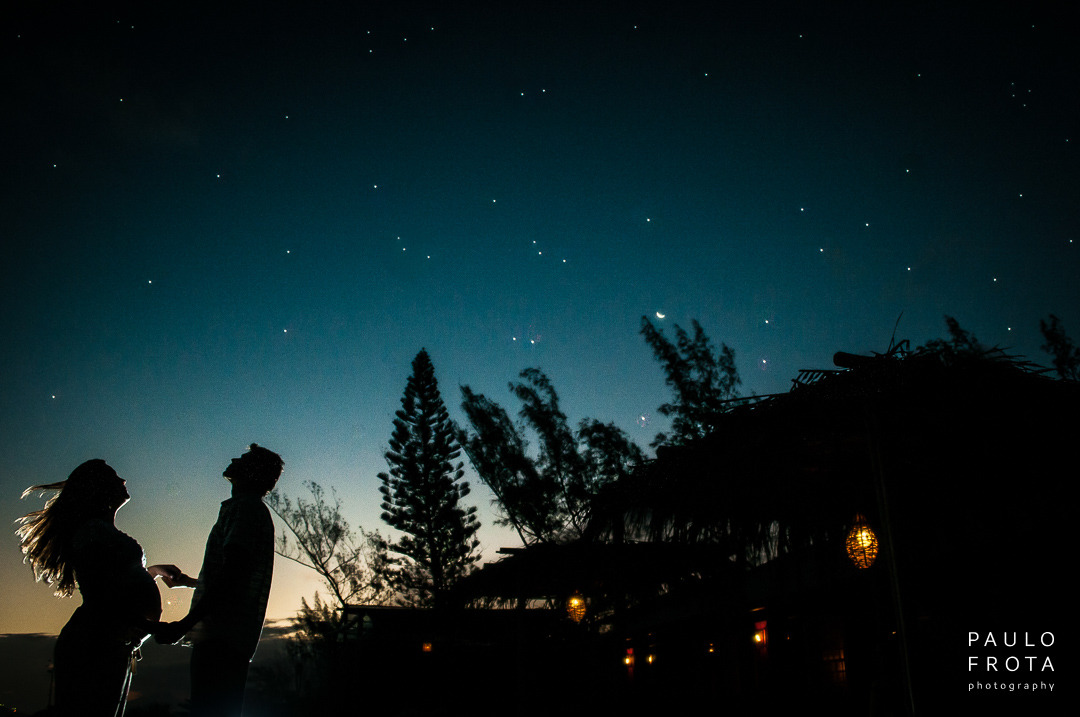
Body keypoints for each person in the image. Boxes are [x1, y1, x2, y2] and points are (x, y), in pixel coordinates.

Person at [16, 459, 181, 717]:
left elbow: (120, 584)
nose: (123, 480)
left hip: (111, 643)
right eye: (114, 476)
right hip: (94, 645)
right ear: (98, 488)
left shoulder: (102, 532)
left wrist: (154, 572)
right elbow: (103, 598)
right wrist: (155, 627)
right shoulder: (92, 533)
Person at [156, 444, 282, 717]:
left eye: (244, 459)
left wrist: (185, 624)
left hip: (221, 637)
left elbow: (232, 574)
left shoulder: (245, 509)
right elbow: (235, 573)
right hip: (229, 637)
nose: (235, 459)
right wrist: (192, 583)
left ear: (252, 472)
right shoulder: (248, 509)